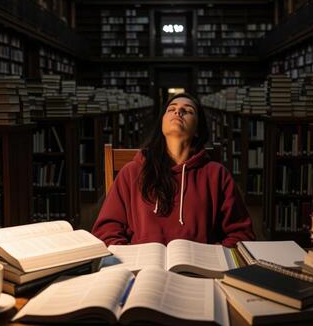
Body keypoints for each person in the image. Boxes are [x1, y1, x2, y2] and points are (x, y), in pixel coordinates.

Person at [92, 93, 255, 247]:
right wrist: (130, 259)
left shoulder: (216, 174)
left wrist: (215, 256)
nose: (178, 111)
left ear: (198, 129)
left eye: (188, 110)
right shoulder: (131, 172)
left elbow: (241, 234)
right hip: (143, 271)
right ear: (162, 122)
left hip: (199, 271)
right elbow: (106, 232)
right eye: (171, 109)